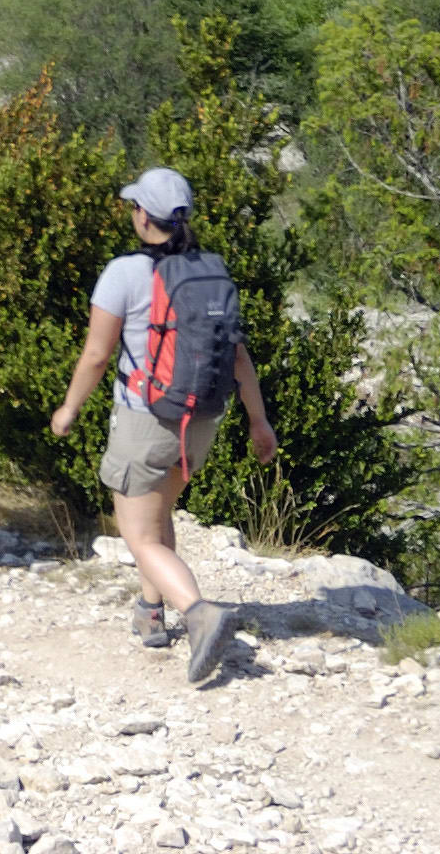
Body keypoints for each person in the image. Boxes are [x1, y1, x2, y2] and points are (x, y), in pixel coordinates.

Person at [47, 166, 279, 684]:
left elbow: (95, 354)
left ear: (141, 216)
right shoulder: (210, 272)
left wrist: (69, 409)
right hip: (202, 419)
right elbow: (239, 359)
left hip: (146, 417)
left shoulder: (124, 273)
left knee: (137, 535)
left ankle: (199, 613)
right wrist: (259, 423)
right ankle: (152, 614)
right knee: (159, 513)